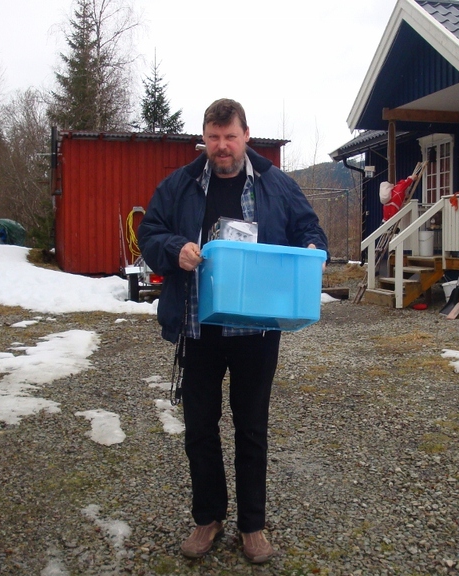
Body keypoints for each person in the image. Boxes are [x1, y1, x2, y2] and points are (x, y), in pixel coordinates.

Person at [138, 98, 327, 564]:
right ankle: (208, 518)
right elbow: (149, 233)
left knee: (252, 429)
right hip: (198, 327)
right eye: (213, 137)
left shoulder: (276, 185)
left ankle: (252, 527)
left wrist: (308, 248)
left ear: (246, 136)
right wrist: (174, 247)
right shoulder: (180, 185)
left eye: (230, 136)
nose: (221, 146)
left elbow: (311, 230)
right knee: (200, 429)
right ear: (204, 138)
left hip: (256, 332)